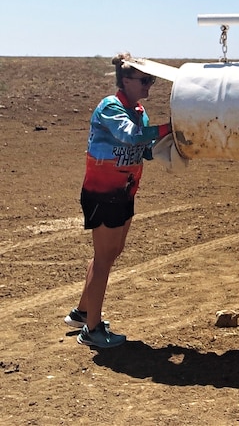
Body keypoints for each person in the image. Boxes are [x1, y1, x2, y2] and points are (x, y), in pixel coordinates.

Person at [64, 52, 171, 348]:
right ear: (126, 81)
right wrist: (168, 128)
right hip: (103, 193)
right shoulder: (110, 107)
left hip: (124, 191)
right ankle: (93, 330)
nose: (149, 85)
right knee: (104, 258)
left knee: (109, 254)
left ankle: (83, 313)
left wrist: (168, 144)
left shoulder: (138, 110)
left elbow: (144, 148)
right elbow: (130, 136)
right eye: (144, 80)